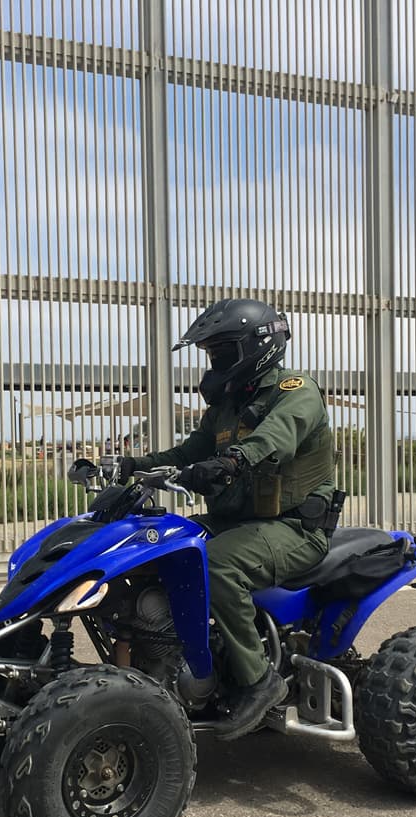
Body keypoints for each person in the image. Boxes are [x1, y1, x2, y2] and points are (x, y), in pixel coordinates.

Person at [120, 299, 337, 740]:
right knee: (152, 548)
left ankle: (260, 681)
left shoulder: (296, 391)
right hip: (237, 522)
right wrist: (132, 465)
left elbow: (275, 437)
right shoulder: (227, 406)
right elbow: (189, 452)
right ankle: (166, 658)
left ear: (257, 347)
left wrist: (234, 460)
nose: (214, 363)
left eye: (221, 352)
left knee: (215, 566)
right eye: (210, 354)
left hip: (293, 527)